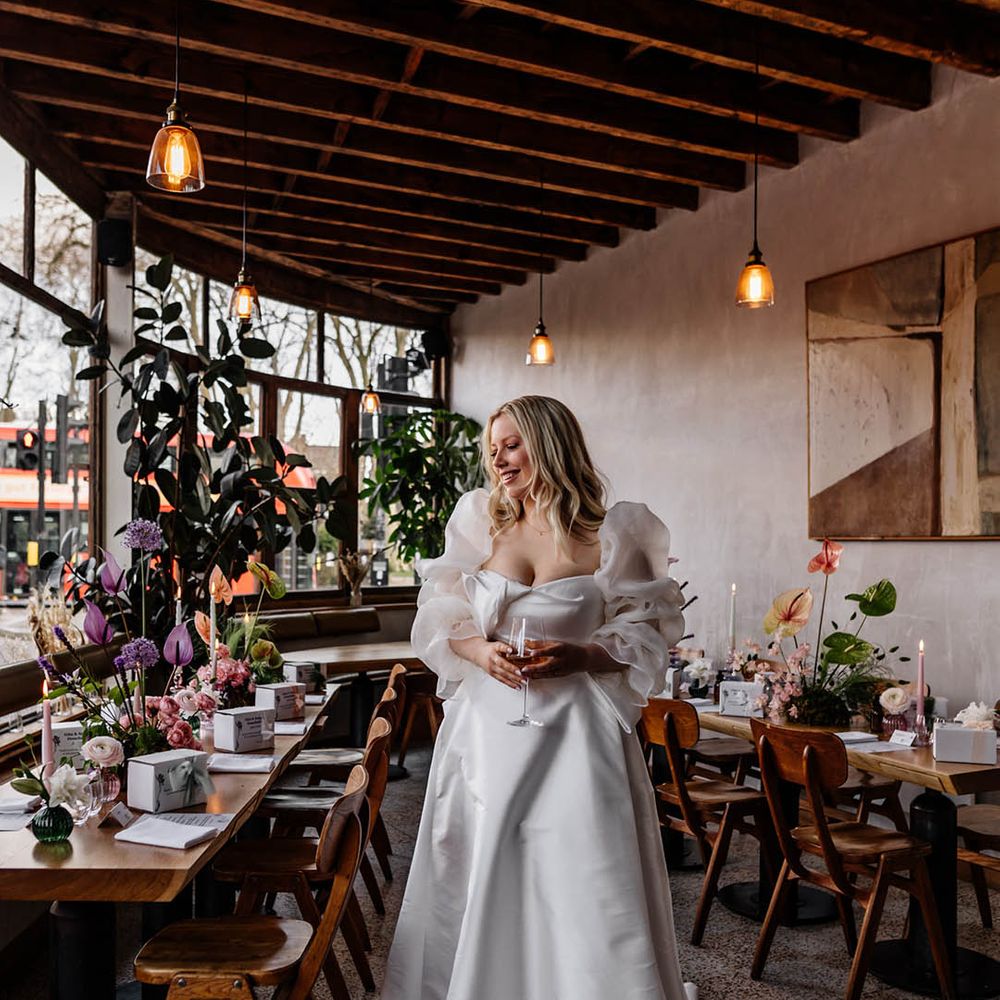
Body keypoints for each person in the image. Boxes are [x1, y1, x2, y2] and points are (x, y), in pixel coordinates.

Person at [381, 395, 696, 1000]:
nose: (499, 460)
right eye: (493, 449)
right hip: (485, 733)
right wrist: (480, 653)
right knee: (484, 863)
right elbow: (442, 613)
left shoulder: (612, 535)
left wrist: (580, 656)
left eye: (512, 444)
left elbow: (648, 633)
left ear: (549, 443)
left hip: (576, 735)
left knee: (579, 873)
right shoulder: (482, 524)